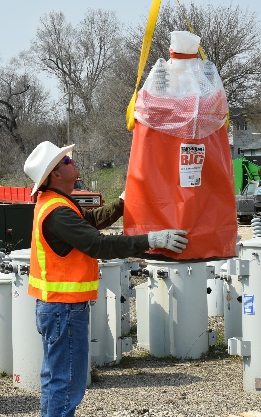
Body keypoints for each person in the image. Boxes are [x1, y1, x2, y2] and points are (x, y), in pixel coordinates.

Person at [23, 141, 188, 417]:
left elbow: (89, 220)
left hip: (57, 308)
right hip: (64, 309)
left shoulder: (57, 203)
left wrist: (122, 204)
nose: (71, 161)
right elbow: (99, 245)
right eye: (65, 161)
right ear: (55, 174)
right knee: (67, 384)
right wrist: (151, 240)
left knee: (55, 379)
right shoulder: (58, 212)